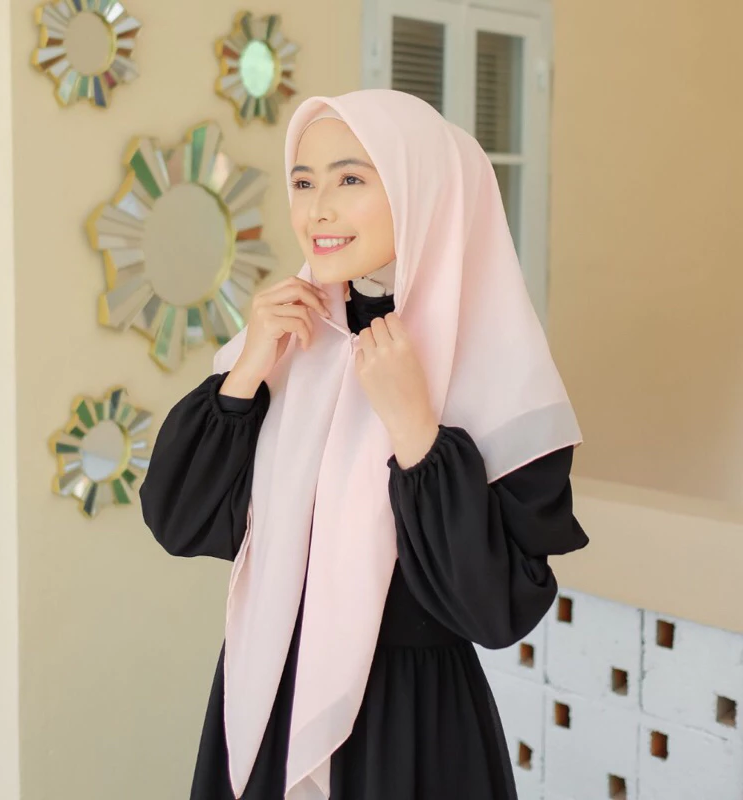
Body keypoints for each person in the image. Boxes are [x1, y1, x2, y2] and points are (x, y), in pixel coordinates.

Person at [139, 89, 589, 800]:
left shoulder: (497, 372)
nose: (317, 210)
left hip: (409, 732)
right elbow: (178, 520)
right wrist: (247, 371)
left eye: (350, 179)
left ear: (422, 190)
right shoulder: (287, 343)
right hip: (265, 701)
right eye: (303, 182)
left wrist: (416, 433)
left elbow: (496, 610)